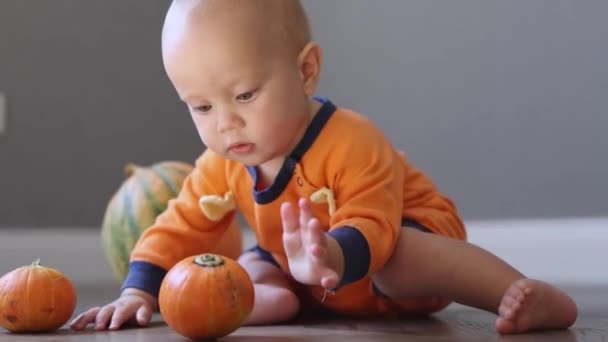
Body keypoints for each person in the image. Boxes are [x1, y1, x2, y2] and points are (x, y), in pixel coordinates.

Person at [70, 0, 577, 334]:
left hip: (397, 253)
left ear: (306, 70)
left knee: (397, 260)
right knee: (250, 265)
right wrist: (139, 288)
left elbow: (375, 223)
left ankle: (517, 293)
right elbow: (178, 225)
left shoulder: (351, 140)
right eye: (201, 107)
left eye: (244, 95)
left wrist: (333, 255)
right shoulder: (220, 165)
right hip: (314, 277)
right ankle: (269, 300)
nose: (226, 124)